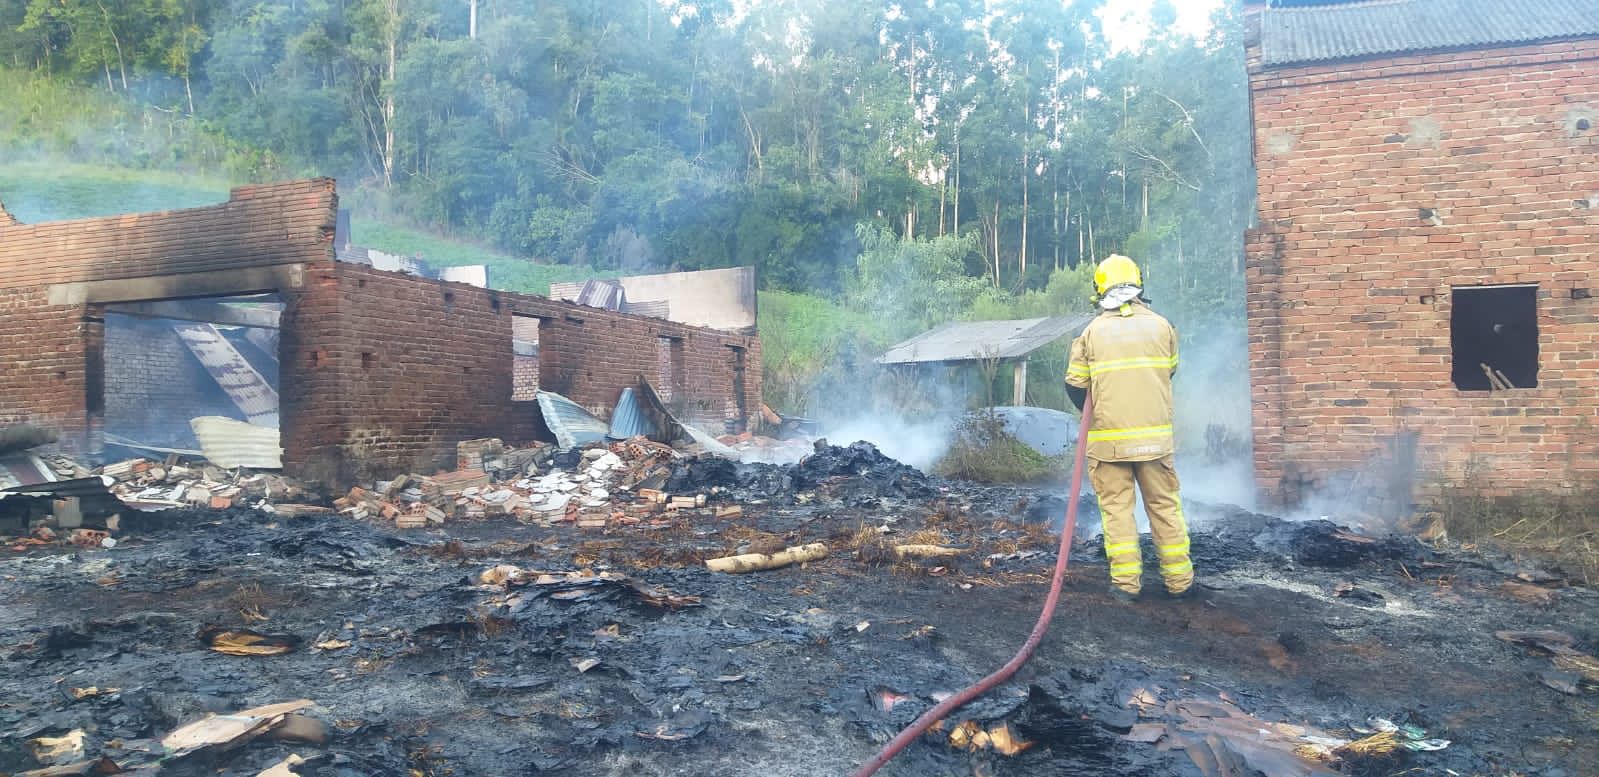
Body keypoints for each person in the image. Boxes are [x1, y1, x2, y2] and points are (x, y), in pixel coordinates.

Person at [1063, 255, 1192, 601]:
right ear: (1138, 286)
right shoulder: (1163, 327)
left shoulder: (1090, 333)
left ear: (1099, 289)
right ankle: (1180, 582)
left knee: (1117, 513)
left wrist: (1101, 412)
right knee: (1165, 508)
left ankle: (1126, 586)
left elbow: (1075, 387)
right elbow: (1169, 372)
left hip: (1108, 445)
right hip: (1155, 442)